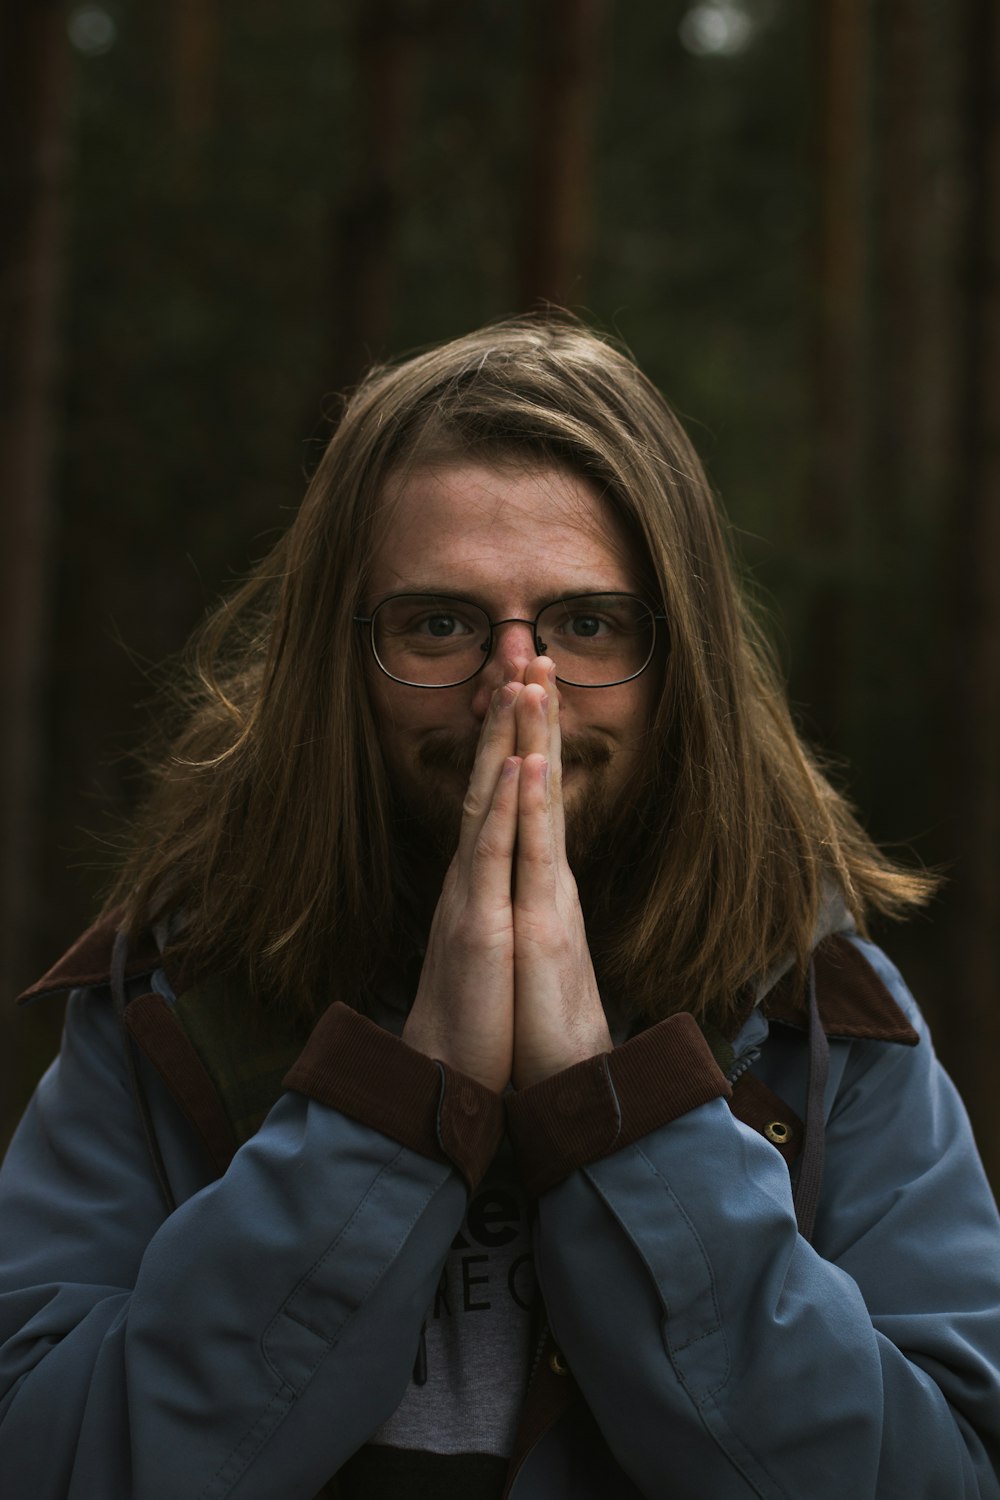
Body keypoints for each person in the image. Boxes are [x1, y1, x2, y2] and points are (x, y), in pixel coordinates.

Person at [1, 317, 998, 1500]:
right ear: (339, 657)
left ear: (681, 663)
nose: (513, 693)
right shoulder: (167, 999)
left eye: (585, 625)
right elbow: (47, 1461)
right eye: (439, 623)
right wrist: (393, 1111)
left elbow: (939, 1475)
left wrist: (614, 1114)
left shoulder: (822, 1019)